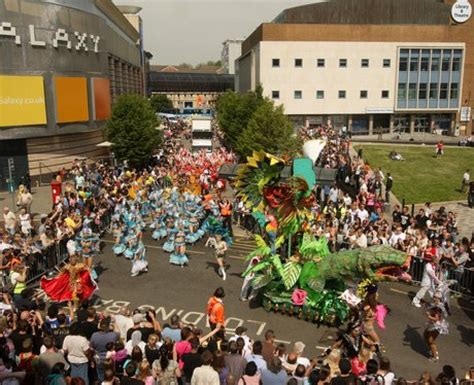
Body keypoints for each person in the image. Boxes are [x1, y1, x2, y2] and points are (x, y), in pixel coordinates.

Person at [423, 292, 449, 362]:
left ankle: (435, 356)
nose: (434, 298)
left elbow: (436, 319)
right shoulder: (435, 305)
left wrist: (429, 316)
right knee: (425, 335)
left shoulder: (438, 308)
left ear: (439, 299)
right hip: (432, 324)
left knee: (431, 340)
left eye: (435, 297)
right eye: (434, 297)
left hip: (436, 326)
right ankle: (433, 350)